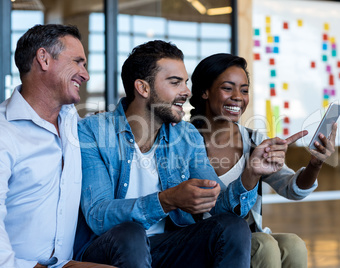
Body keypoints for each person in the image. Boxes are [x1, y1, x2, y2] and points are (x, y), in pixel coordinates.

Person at [74, 40, 287, 267]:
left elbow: (217, 206)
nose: (186, 92)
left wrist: (251, 174)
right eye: (175, 83)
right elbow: (98, 215)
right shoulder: (93, 132)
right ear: (143, 88)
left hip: (166, 245)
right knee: (131, 234)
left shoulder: (186, 135)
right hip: (110, 246)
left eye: (185, 83)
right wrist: (166, 200)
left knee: (232, 226)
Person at [189, 53, 338, 268]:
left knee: (294, 245)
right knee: (264, 245)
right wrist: (250, 174)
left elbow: (292, 189)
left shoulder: (254, 141)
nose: (238, 97)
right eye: (227, 88)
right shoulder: (182, 140)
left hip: (246, 236)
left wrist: (315, 164)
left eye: (244, 90)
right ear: (204, 91)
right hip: (199, 239)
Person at [0, 24, 113, 268]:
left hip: (64, 262)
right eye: (78, 62)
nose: (86, 74)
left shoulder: (73, 121)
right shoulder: (4, 132)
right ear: (44, 59)